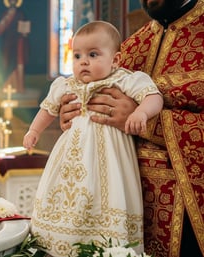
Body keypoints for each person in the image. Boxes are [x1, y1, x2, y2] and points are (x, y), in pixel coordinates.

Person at [59, 1, 204, 256]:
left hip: (189, 220)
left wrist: (151, 123)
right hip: (118, 206)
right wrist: (73, 112)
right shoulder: (134, 44)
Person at [24, 21, 163, 257]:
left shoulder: (124, 79)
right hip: (71, 157)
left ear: (116, 60)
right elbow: (47, 110)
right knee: (68, 196)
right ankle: (63, 240)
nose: (83, 62)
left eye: (93, 54)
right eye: (77, 55)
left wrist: (141, 112)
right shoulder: (66, 84)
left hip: (110, 158)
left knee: (105, 196)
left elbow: (153, 96)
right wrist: (33, 131)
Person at [0, 0, 28, 93]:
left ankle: (19, 87)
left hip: (18, 42)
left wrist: (24, 32)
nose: (12, 2)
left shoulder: (20, 14)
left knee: (18, 63)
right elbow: (1, 27)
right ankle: (7, 85)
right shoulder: (6, 14)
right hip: (8, 43)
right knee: (7, 63)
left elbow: (24, 27)